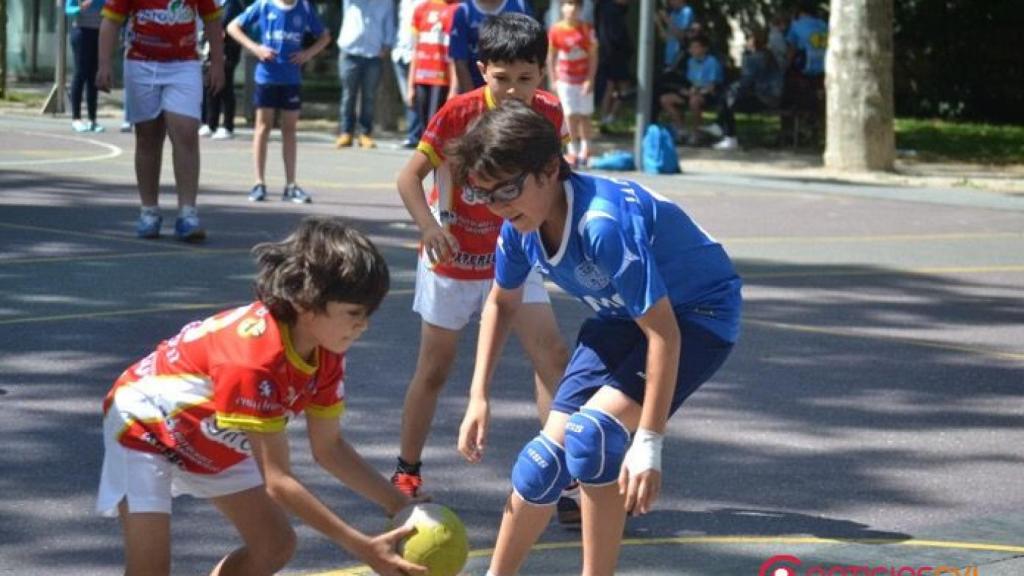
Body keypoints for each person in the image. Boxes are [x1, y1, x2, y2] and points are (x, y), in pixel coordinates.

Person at [451, 100, 741, 576]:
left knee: (591, 436)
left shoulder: (601, 225)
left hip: (697, 315)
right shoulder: (518, 229)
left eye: (507, 189)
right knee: (541, 464)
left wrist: (649, 442)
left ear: (549, 168)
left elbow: (664, 333)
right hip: (620, 317)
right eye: (486, 196)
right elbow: (502, 302)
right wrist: (478, 395)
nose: (500, 207)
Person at [96, 217, 428, 576]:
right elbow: (279, 481)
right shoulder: (254, 359)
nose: (363, 324)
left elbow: (329, 448)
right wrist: (361, 546)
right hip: (146, 427)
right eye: (354, 313)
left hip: (211, 430)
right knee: (150, 570)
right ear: (306, 302)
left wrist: (399, 504)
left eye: (368, 314)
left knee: (274, 545)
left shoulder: (326, 350)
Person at [393, 13, 579, 525]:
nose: (515, 90)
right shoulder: (459, 113)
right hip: (455, 258)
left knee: (553, 354)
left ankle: (565, 477)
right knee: (435, 369)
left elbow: (554, 180)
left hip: (516, 253)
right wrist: (432, 226)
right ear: (482, 71)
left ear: (542, 72)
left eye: (526, 77)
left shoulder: (548, 113)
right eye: (503, 78)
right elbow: (409, 180)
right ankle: (406, 472)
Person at [97, 0, 225, 242]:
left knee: (186, 133)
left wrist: (218, 63)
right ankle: (149, 212)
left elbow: (212, 19)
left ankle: (187, 214)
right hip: (141, 63)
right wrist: (104, 64)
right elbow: (111, 21)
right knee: (147, 137)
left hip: (184, 64)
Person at [228, 0, 331, 204]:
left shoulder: (304, 7)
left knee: (289, 130)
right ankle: (259, 183)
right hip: (267, 77)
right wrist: (255, 48)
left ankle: (291, 185)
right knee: (263, 127)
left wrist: (307, 54)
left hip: (291, 78)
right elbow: (233, 27)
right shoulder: (265, 5)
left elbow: (325, 36)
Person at [334, 0, 396, 150]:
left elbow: (389, 23)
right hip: (350, 52)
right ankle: (346, 132)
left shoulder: (386, 3)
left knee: (369, 96)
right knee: (348, 95)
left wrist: (388, 45)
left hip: (373, 54)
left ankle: (365, 133)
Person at [713, 27, 783, 150]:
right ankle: (721, 129)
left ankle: (729, 135)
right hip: (769, 96)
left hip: (763, 97)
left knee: (728, 99)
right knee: (728, 96)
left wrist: (733, 89)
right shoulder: (768, 56)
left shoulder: (755, 58)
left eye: (748, 40)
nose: (746, 43)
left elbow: (746, 81)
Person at [547, 0, 597, 167]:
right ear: (562, 7)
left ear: (581, 8)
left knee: (584, 115)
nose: (572, 8)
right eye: (568, 4)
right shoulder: (556, 30)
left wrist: (590, 79)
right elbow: (551, 56)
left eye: (576, 5)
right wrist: (553, 78)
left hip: (583, 80)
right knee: (570, 115)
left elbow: (593, 56)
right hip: (565, 80)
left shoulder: (587, 29)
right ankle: (572, 150)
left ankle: (586, 149)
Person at [447, 0, 532, 94]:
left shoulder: (520, 6)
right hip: (476, 88)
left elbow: (533, 56)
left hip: (514, 91)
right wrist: (473, 99)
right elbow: (460, 62)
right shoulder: (464, 11)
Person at [658, 34, 722, 145]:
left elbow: (711, 87)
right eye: (691, 47)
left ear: (704, 48)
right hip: (693, 91)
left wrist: (696, 91)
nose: (692, 50)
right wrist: (685, 90)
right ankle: (681, 130)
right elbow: (689, 82)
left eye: (696, 47)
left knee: (694, 101)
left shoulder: (712, 62)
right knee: (665, 99)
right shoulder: (690, 62)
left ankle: (697, 133)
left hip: (708, 94)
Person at [406, 0, 456, 135]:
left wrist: (453, 89)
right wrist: (410, 86)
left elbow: (455, 55)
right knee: (424, 126)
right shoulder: (421, 9)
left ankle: (433, 154)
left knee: (435, 125)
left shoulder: (457, 9)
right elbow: (415, 50)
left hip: (442, 79)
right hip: (421, 77)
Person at [202, 0, 245, 140]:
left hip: (229, 51)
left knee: (226, 88)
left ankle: (227, 126)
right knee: (211, 86)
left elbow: (225, 26)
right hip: (214, 50)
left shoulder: (234, 5)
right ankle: (210, 123)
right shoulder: (218, 4)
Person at [393, 0, 428, 148]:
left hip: (420, 55)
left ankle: (418, 136)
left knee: (419, 97)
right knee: (408, 97)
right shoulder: (403, 3)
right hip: (400, 53)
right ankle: (413, 134)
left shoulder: (426, 3)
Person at [594, 0, 632, 132]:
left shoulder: (605, 9)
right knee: (624, 88)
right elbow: (616, 36)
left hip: (608, 54)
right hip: (615, 55)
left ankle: (605, 118)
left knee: (610, 87)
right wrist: (626, 50)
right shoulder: (612, 11)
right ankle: (610, 116)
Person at [68, 0, 105, 133]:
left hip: (99, 32)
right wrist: (80, 8)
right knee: (80, 73)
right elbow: (68, 9)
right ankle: (76, 118)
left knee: (93, 76)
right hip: (81, 31)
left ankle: (92, 119)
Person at [654, 0, 692, 71]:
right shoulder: (673, 14)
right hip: (668, 61)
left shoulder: (687, 12)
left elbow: (681, 36)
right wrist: (659, 23)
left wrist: (666, 19)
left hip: (679, 61)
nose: (671, 2)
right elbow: (666, 38)